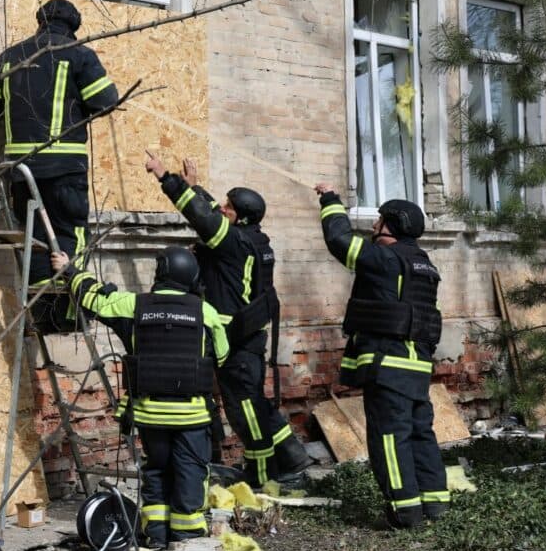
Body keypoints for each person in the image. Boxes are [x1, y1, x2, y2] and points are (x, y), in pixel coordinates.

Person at [145, 152, 312, 488]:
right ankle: (293, 456)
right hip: (247, 338)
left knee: (244, 409)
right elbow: (215, 217)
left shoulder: (235, 242)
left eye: (229, 207)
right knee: (253, 401)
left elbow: (204, 220)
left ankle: (263, 475)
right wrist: (198, 187)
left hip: (236, 342)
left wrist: (167, 179)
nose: (223, 208)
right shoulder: (256, 240)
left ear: (243, 219)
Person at [50, 247, 229, 549]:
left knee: (156, 471)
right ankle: (186, 537)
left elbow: (93, 297)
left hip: (149, 414)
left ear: (159, 273)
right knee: (190, 471)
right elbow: (221, 356)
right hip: (192, 416)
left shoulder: (133, 305)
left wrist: (69, 270)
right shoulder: (206, 312)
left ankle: (157, 536)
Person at [314, 183, 448, 528]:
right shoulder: (424, 265)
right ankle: (434, 507)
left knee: (389, 438)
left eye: (379, 221)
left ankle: (404, 514)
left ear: (393, 225)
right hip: (417, 366)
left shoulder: (387, 259)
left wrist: (330, 200)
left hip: (388, 366)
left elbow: (339, 242)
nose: (374, 227)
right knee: (420, 434)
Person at [0, 0, 118, 291]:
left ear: (40, 22)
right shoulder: (78, 55)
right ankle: (64, 311)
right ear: (73, 27)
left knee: (36, 235)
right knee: (69, 234)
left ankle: (41, 309)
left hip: (19, 171)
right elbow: (107, 101)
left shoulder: (10, 56)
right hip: (65, 169)